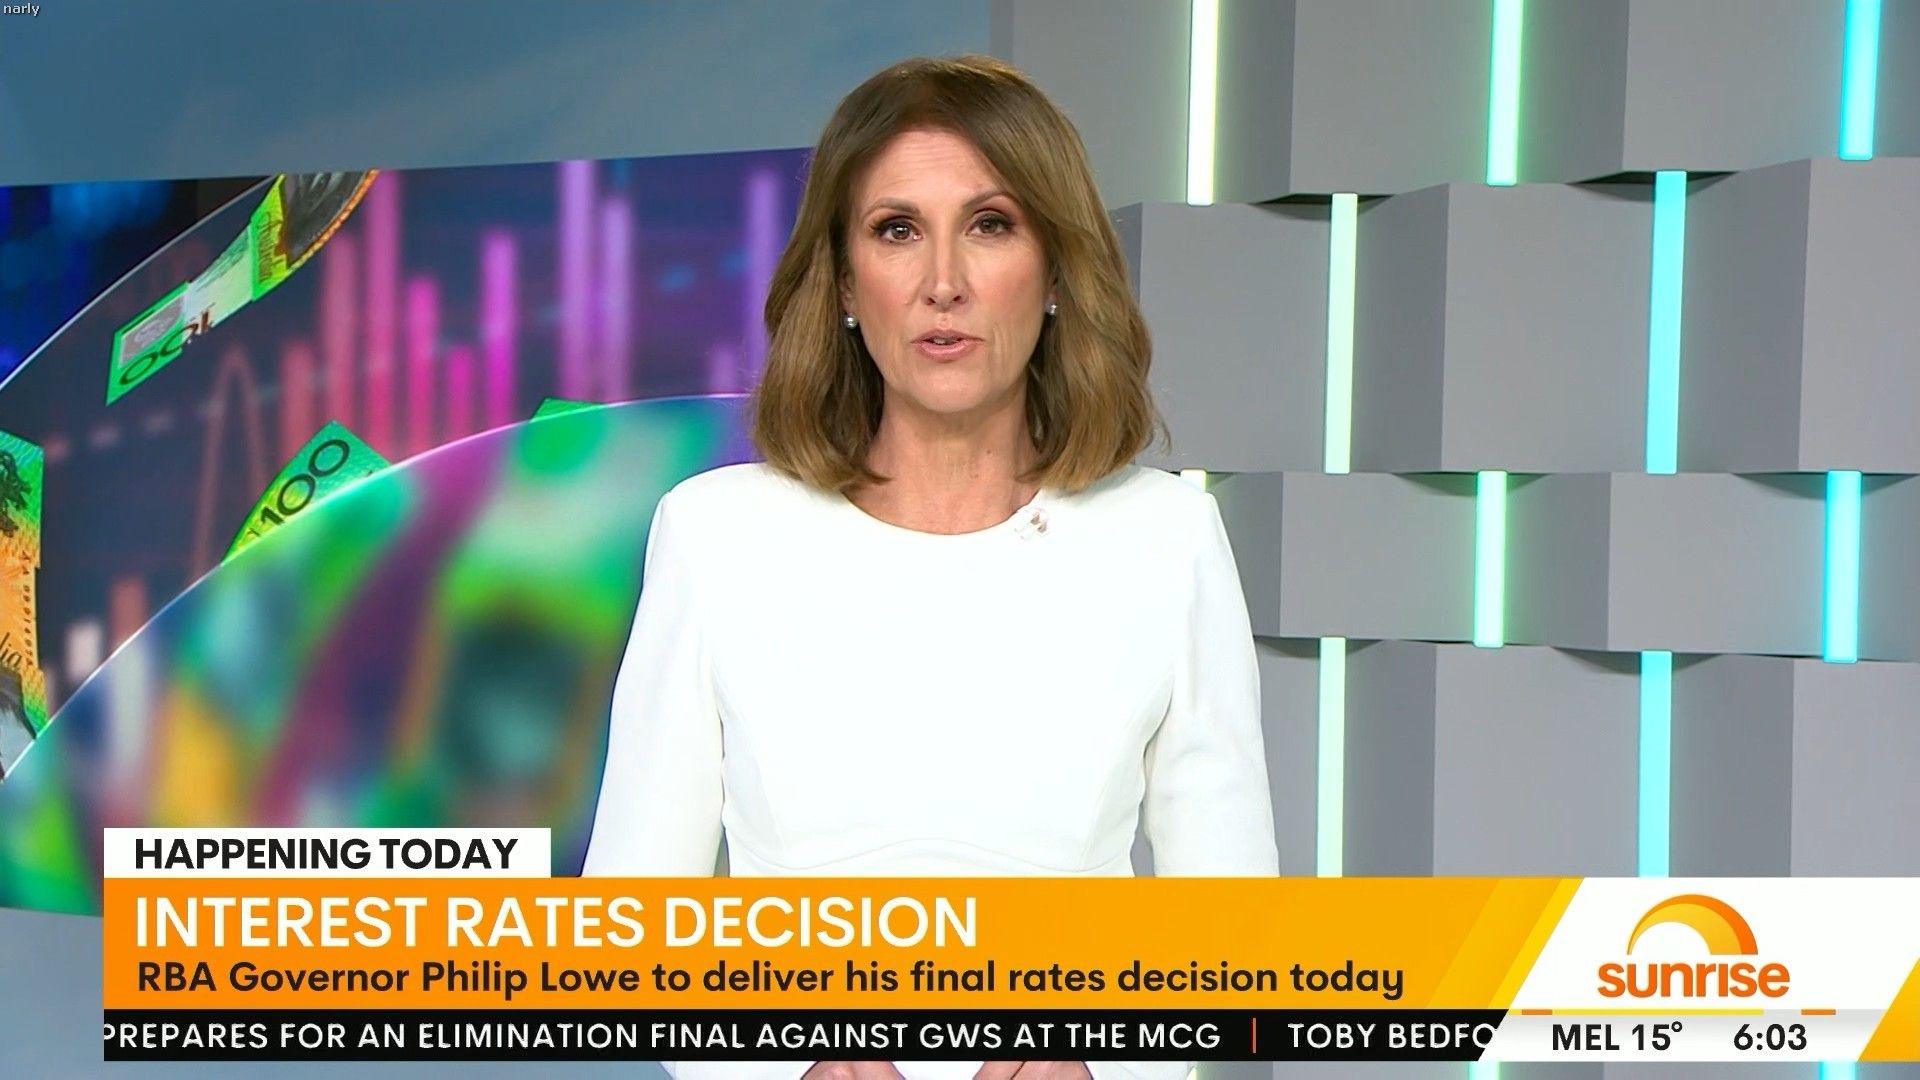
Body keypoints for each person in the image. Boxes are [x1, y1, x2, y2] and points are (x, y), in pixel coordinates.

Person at [583, 54, 1278, 1080]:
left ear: (1054, 272)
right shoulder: (716, 535)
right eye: (897, 230)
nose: (942, 282)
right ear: (845, 282)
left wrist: (1099, 1059)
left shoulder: (1166, 538)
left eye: (990, 225)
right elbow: (633, 918)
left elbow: (1230, 921)